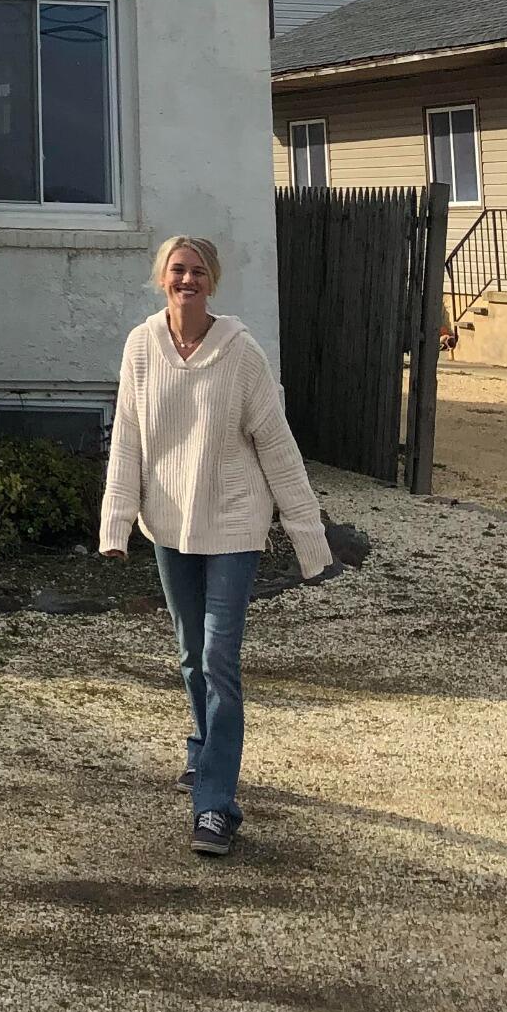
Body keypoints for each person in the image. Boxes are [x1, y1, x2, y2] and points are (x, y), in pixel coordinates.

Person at [99, 234, 334, 858]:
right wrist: (116, 523)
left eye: (198, 271)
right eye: (177, 270)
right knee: (188, 653)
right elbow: (127, 434)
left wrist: (307, 534)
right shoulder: (142, 347)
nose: (187, 279)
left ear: (213, 281)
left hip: (233, 523)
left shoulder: (241, 352)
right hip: (170, 524)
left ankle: (216, 805)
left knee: (218, 657)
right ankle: (203, 752)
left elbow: (277, 445)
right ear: (161, 279)